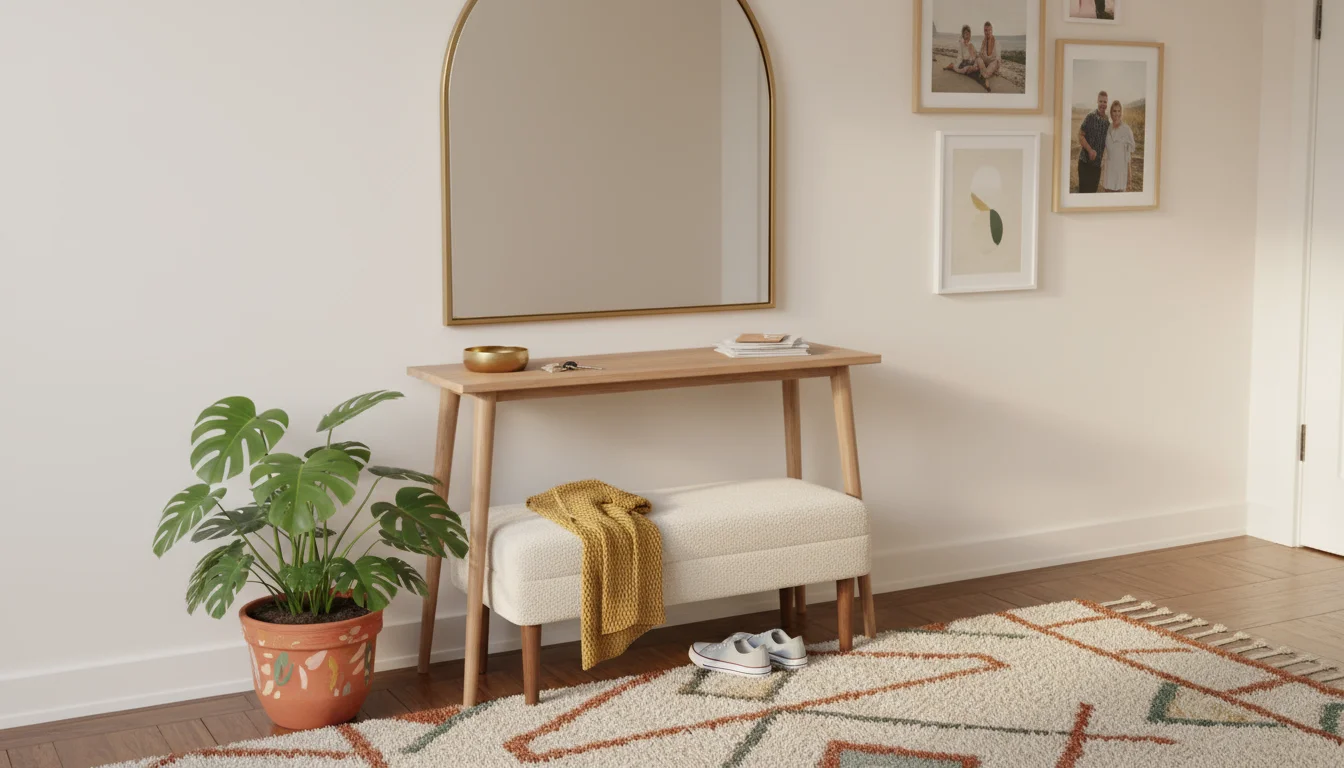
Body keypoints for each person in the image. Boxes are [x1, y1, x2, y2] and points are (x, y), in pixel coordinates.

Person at [1077, 90, 1109, 194]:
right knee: (1083, 193)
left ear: (1107, 103)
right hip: (1085, 162)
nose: (1102, 104)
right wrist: (1090, 150)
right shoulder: (1090, 116)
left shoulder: (1107, 122)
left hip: (1097, 166)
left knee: (1092, 195)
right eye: (1101, 101)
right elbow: (1080, 135)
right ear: (1097, 102)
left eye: (1105, 102)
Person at [1102, 100, 1135, 193]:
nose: (1117, 113)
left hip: (1120, 175)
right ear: (1111, 112)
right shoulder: (1108, 128)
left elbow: (1128, 157)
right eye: (1114, 111)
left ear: (1121, 112)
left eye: (1119, 111)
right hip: (1108, 174)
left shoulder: (1126, 130)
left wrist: (1129, 179)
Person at [976, 21, 1001, 87]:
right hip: (986, 64)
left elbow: (997, 59)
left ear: (992, 30)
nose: (987, 32)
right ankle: (985, 74)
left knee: (987, 71)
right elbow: (980, 54)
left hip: (993, 63)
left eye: (989, 30)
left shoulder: (995, 42)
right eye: (985, 30)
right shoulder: (984, 41)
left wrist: (996, 69)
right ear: (984, 31)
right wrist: (978, 62)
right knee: (978, 59)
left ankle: (985, 76)